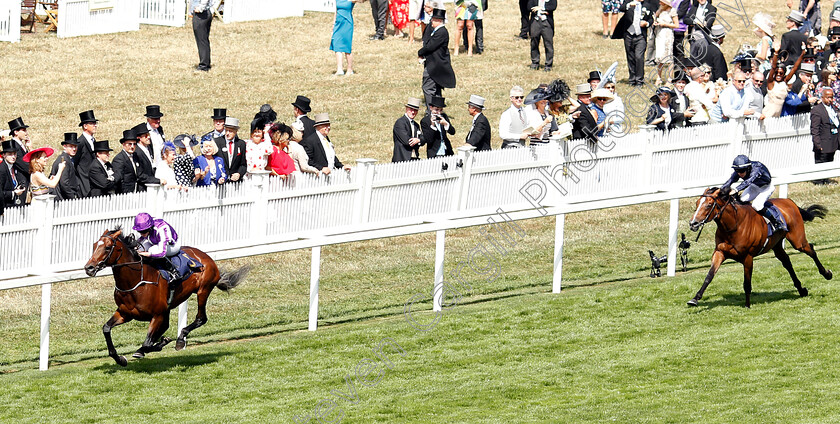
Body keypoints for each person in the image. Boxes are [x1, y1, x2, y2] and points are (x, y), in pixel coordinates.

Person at [720, 155, 788, 233]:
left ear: (748, 168)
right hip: (754, 186)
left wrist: (736, 189)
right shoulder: (740, 171)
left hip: (766, 188)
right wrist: (719, 190)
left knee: (757, 205)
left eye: (742, 171)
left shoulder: (756, 168)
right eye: (737, 170)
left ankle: (776, 222)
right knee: (741, 200)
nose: (739, 173)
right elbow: (730, 181)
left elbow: (748, 181)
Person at [133, 212, 183, 298]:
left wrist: (147, 254)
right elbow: (141, 240)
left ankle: (172, 272)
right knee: (140, 249)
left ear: (150, 227)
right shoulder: (147, 230)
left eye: (144, 231)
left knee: (152, 250)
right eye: (139, 231)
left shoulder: (161, 228)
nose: (141, 233)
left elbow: (162, 252)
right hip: (155, 242)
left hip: (171, 245)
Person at [418, 8, 457, 109]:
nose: (432, 21)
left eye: (434, 19)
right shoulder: (437, 30)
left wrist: (420, 52)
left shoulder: (441, 32)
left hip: (435, 66)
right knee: (436, 89)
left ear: (439, 21)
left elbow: (430, 46)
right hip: (435, 64)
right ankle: (437, 110)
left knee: (428, 88)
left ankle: (431, 111)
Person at [612, 0, 656, 86]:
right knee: (630, 57)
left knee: (639, 57)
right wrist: (629, 5)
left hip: (640, 36)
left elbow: (651, 18)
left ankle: (639, 80)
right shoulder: (629, 2)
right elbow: (621, 8)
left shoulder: (647, 4)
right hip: (629, 34)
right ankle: (632, 79)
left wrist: (647, 23)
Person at [763, 49, 805, 117]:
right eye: (776, 73)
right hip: (768, 114)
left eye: (781, 73)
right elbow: (773, 67)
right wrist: (776, 53)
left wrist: (802, 54)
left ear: (784, 74)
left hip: (778, 115)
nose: (778, 74)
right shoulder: (771, 83)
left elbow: (794, 68)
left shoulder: (784, 82)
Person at [810, 88, 840, 181]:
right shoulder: (817, 110)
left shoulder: (833, 108)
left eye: (831, 98)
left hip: (832, 141)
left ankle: (826, 179)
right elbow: (815, 129)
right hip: (823, 142)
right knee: (821, 162)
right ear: (822, 97)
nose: (830, 100)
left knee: (829, 161)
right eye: (827, 98)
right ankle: (819, 181)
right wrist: (817, 144)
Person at [214, 117, 247, 183]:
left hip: (235, 182)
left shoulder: (241, 144)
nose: (227, 133)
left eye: (230, 131)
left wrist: (239, 174)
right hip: (220, 180)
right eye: (226, 130)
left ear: (236, 131)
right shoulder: (217, 142)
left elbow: (243, 164)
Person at [653, 0, 678, 85]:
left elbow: (676, 25)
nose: (660, 3)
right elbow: (655, 17)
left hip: (667, 34)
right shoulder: (660, 10)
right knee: (659, 57)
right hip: (659, 34)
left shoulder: (672, 11)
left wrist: (665, 24)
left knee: (668, 57)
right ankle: (659, 77)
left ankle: (670, 78)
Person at [331, 0, 359, 76]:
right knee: (336, 44)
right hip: (338, 23)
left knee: (347, 47)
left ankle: (350, 69)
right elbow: (336, 11)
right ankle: (339, 69)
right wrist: (333, 23)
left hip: (347, 23)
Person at [51, 133, 82, 201]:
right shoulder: (64, 160)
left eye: (75, 146)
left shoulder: (68, 159)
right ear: (64, 146)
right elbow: (64, 183)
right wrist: (72, 197)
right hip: (62, 198)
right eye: (71, 146)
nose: (74, 149)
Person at [132, 123, 164, 189]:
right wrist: (157, 180)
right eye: (146, 136)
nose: (149, 137)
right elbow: (140, 175)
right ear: (139, 138)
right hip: (143, 187)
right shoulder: (137, 152)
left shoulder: (148, 148)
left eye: (149, 135)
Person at [74, 110, 98, 197]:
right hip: (84, 183)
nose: (95, 125)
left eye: (95, 123)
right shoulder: (80, 142)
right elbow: (74, 163)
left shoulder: (93, 140)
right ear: (85, 126)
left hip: (93, 182)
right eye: (92, 123)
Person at [392, 97, 424, 162]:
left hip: (414, 158)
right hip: (402, 159)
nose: (413, 112)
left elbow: (423, 139)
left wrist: (419, 140)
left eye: (415, 110)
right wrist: (418, 141)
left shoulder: (416, 125)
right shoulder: (400, 122)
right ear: (406, 109)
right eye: (411, 109)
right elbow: (407, 141)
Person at [111, 130, 143, 194]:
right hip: (125, 193)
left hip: (137, 191)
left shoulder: (135, 156)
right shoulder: (119, 159)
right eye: (130, 144)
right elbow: (119, 178)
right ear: (124, 144)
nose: (132, 146)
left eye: (134, 144)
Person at [528, 0, 556, 71]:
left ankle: (548, 65)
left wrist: (541, 8)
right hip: (535, 21)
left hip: (547, 22)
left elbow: (553, 6)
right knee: (534, 42)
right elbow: (529, 7)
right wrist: (539, 9)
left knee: (548, 44)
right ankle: (535, 62)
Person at [0, 140, 27, 207]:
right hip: (5, 207)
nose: (13, 156)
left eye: (15, 154)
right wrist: (13, 193)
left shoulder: (15, 166)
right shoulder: (2, 170)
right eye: (10, 154)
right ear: (3, 155)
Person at [191, 0, 215, 72]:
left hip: (201, 14)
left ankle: (204, 65)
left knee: (202, 40)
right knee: (203, 40)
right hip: (205, 12)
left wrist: (200, 8)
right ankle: (206, 63)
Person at [7, 117, 31, 181]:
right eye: (23, 130)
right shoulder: (14, 146)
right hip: (21, 181)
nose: (26, 133)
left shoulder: (20, 145)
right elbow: (26, 166)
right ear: (16, 132)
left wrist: (29, 148)